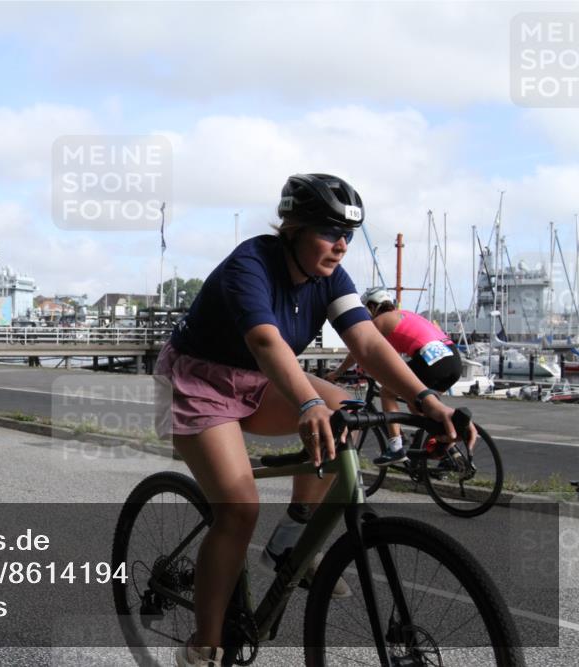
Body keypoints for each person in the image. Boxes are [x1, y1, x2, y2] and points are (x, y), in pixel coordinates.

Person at [153, 173, 475, 667]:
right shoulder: (251, 263)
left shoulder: (331, 279)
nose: (341, 245)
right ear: (293, 228)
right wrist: (306, 405)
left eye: (347, 234)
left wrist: (427, 400)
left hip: (258, 381)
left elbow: (367, 343)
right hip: (200, 382)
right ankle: (203, 647)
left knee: (345, 410)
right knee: (238, 510)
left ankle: (290, 541)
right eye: (328, 231)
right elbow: (266, 342)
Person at [325, 287, 463, 465]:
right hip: (452, 360)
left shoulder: (380, 321)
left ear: (372, 307)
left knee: (387, 393)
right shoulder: (404, 315)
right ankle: (448, 449)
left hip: (432, 360)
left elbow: (357, 350)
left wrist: (338, 373)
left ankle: (395, 447)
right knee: (421, 405)